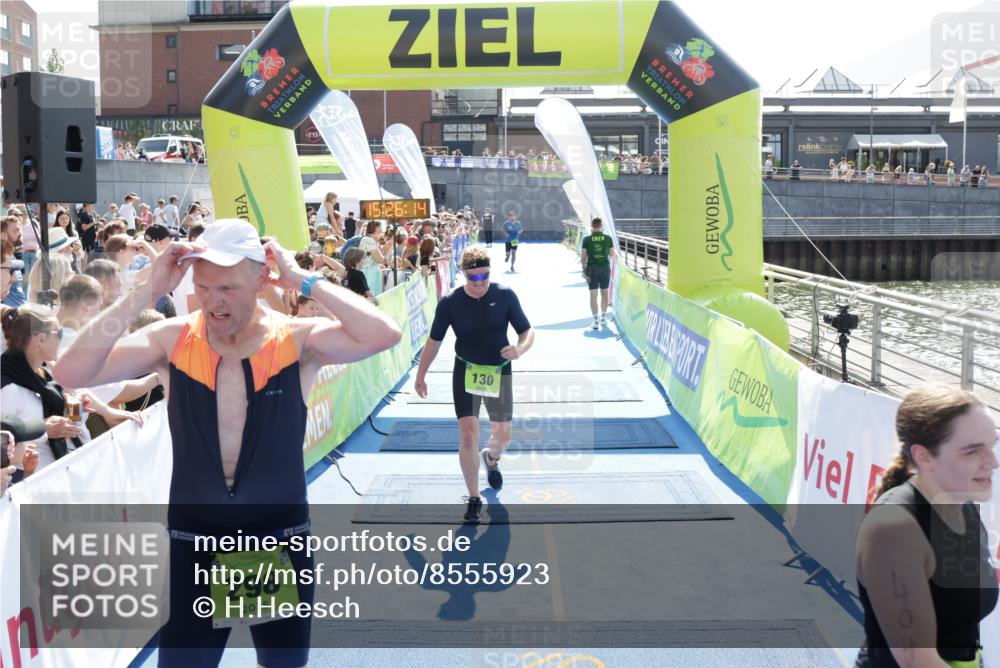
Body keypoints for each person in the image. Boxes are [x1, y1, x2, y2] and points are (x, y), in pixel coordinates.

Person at [53, 218, 401, 667]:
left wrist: (304, 279)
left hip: (275, 538)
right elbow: (69, 373)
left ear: (261, 278)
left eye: (228, 288)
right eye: (203, 286)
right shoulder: (172, 340)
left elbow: (384, 335)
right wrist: (144, 291)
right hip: (196, 537)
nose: (213, 301)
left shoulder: (296, 341)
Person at [854, 385, 997, 668]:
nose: (993, 462)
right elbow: (917, 662)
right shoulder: (893, 529)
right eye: (972, 452)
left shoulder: (961, 505)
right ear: (924, 457)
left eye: (992, 445)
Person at [413, 246, 534, 522]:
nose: (479, 284)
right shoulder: (450, 303)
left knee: (502, 436)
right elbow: (434, 342)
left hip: (499, 370)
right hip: (466, 370)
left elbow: (527, 331)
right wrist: (420, 376)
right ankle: (473, 497)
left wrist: (520, 348)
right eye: (473, 278)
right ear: (463, 274)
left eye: (484, 277)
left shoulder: (504, 295)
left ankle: (491, 459)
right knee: (468, 433)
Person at [580, 217, 616, 329]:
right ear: (601, 226)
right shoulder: (608, 238)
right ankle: (604, 318)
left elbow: (583, 257)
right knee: (604, 293)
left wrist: (583, 267)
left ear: (591, 226)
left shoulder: (587, 239)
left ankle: (595, 321)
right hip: (605, 268)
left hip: (592, 268)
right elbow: (612, 254)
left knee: (593, 295)